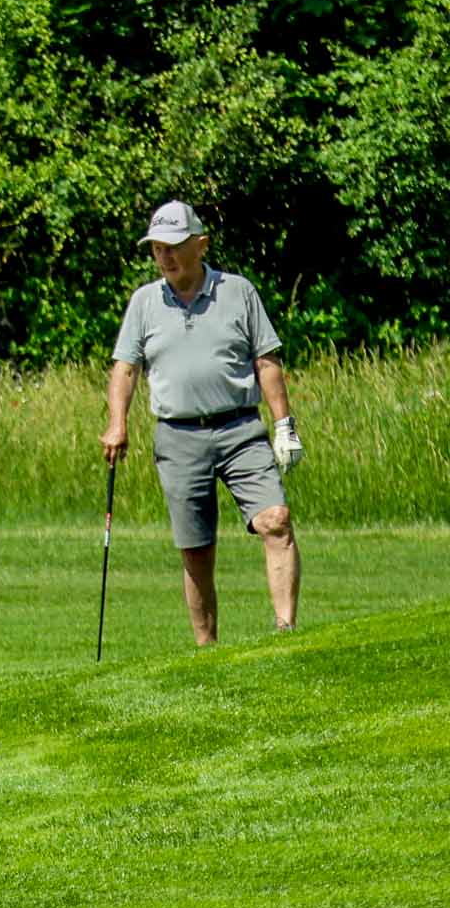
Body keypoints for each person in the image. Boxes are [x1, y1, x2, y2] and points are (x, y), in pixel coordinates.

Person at [101, 202, 304, 645]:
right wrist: (117, 423)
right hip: (177, 436)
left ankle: (286, 632)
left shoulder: (238, 291)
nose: (165, 256)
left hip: (240, 430)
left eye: (174, 246)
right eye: (157, 248)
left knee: (276, 519)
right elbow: (126, 368)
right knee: (196, 549)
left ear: (201, 244)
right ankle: (206, 651)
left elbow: (266, 361)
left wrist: (283, 425)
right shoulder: (144, 302)